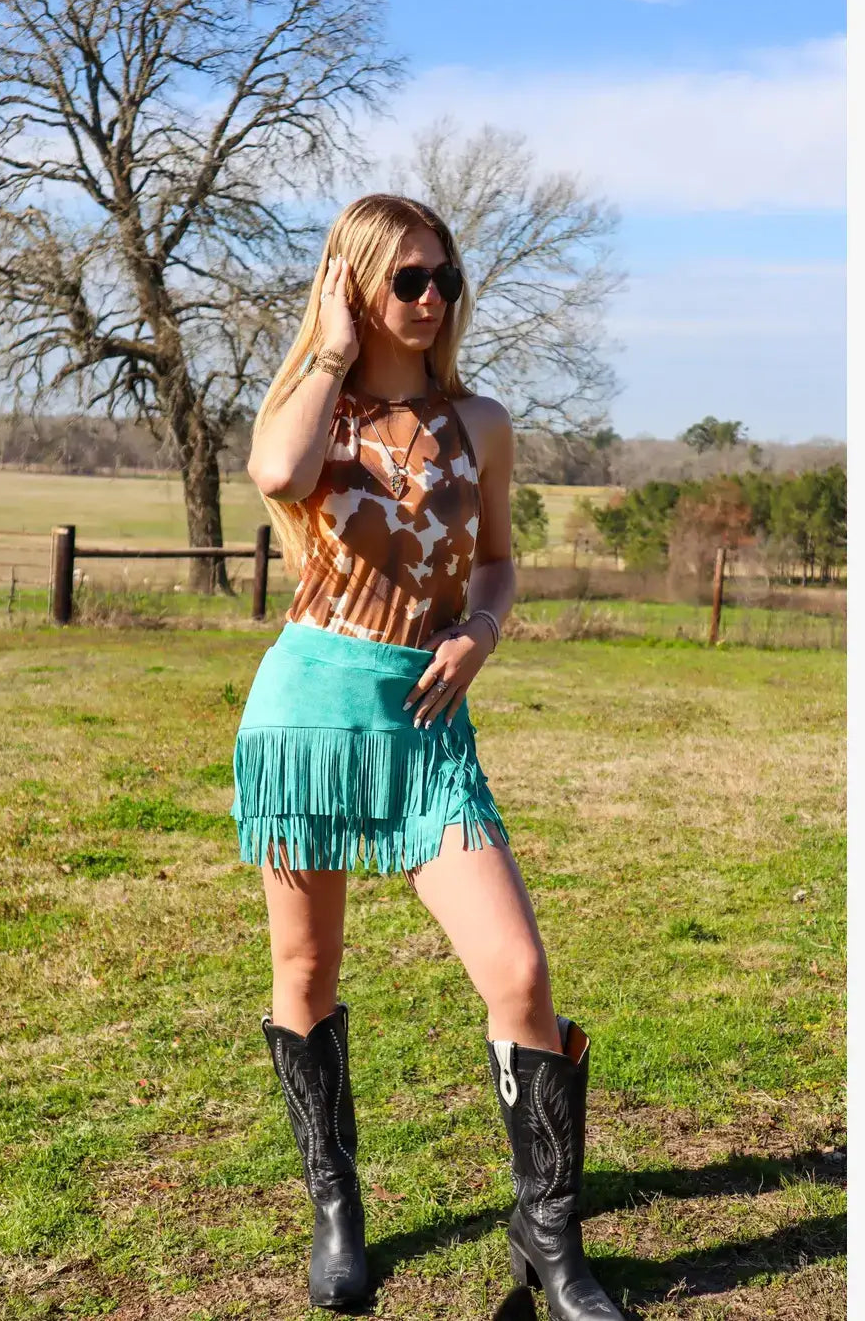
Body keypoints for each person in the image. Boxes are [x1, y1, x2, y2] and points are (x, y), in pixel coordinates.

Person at [232, 194, 623, 1321]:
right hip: (309, 722)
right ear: (354, 283)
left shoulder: (480, 421)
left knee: (521, 975)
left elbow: (495, 560)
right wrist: (329, 347)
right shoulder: (317, 411)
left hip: (427, 726)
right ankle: (336, 1209)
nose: (432, 297)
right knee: (306, 970)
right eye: (406, 278)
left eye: (444, 276)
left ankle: (547, 1237)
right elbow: (277, 474)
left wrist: (481, 632)